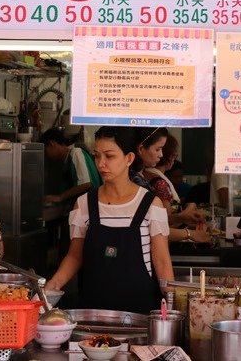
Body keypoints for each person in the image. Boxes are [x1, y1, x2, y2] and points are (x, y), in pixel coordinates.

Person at [45, 126, 174, 313]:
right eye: (97, 156)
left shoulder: (151, 205)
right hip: (92, 316)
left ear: (129, 158)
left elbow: (162, 262)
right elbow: (74, 255)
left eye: (109, 156)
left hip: (140, 316)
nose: (100, 163)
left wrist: (171, 307)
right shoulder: (84, 205)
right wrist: (53, 284)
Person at [133, 128, 209, 244]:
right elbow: (158, 225)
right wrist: (189, 231)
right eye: (158, 149)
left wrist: (183, 217)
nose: (161, 154)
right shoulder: (155, 182)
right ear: (141, 149)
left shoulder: (142, 177)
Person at [41, 127, 101, 205]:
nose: (46, 155)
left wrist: (60, 197)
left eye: (46, 150)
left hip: (92, 205)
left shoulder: (76, 153)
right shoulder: (66, 160)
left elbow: (85, 184)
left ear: (52, 144)